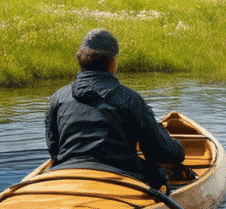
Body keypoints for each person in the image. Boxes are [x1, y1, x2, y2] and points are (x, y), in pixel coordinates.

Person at [45, 28, 185, 189]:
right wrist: (179, 149)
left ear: (80, 59)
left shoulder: (58, 97)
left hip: (66, 175)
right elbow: (158, 154)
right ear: (113, 61)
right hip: (121, 177)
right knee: (161, 177)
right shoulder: (130, 99)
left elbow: (54, 149)